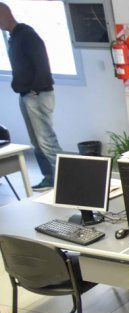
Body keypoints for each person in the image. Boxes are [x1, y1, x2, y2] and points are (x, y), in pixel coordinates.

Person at [0, 2, 63, 191]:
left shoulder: (27, 35)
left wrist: (35, 89)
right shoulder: (14, 37)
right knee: (37, 142)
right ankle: (49, 177)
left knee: (47, 141)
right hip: (26, 94)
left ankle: (65, 180)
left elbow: (42, 65)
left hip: (38, 95)